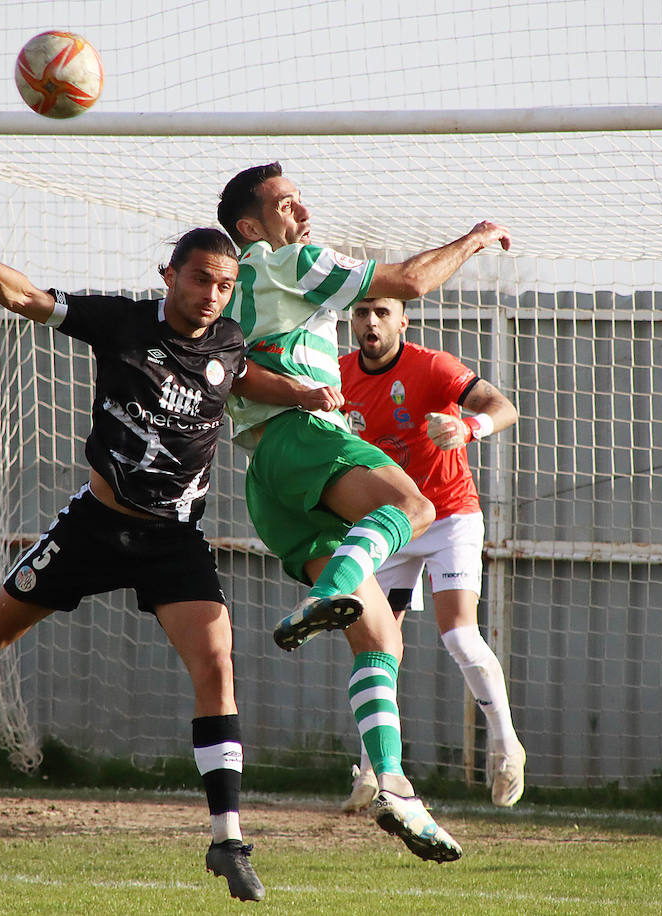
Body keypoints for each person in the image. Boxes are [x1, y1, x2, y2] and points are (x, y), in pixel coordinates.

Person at [0, 227, 330, 902]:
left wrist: (307, 394)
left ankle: (228, 840)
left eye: (225, 285)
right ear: (170, 275)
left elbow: (248, 377)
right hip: (95, 528)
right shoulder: (123, 323)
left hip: (174, 540)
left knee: (217, 664)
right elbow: (27, 300)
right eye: (200, 279)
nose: (211, 294)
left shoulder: (227, 341)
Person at [216, 161, 511, 863]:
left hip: (264, 475)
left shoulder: (222, 297)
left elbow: (227, 371)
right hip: (305, 438)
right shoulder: (291, 261)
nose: (303, 211)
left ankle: (396, 788)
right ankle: (327, 593)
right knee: (413, 503)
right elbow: (410, 280)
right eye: (287, 203)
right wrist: (473, 238)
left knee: (381, 641)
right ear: (252, 227)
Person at [337, 296, 526, 811]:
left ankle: (507, 746)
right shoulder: (337, 376)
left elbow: (502, 406)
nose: (370, 322)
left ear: (403, 320)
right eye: (360, 313)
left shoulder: (434, 366)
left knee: (460, 636)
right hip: (395, 519)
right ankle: (374, 770)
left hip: (449, 517)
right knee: (377, 644)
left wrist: (469, 428)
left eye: (381, 311)